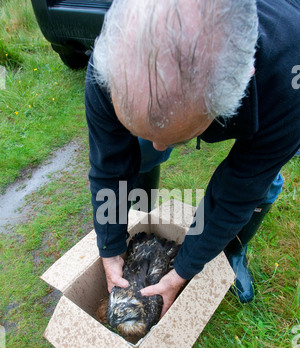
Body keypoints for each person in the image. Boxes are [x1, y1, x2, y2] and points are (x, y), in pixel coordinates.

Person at [85, 0, 300, 317]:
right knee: (142, 151)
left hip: (271, 89)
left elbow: (235, 194)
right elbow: (109, 166)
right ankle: (146, 205)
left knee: (261, 182)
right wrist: (111, 245)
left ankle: (234, 251)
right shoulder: (112, 60)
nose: (162, 147)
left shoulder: (288, 79)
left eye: (176, 137)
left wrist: (183, 270)